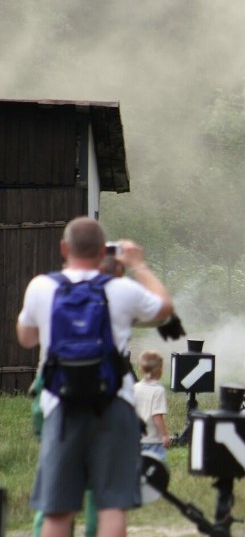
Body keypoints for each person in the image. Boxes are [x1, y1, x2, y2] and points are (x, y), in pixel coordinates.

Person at [17, 216, 174, 537]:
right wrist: (138, 265)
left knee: (58, 511)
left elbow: (27, 339)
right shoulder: (122, 289)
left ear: (64, 248)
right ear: (104, 250)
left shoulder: (41, 286)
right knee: (111, 505)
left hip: (60, 405)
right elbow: (164, 308)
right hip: (113, 404)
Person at [134, 350, 171, 461]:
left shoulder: (135, 388)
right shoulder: (158, 390)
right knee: (156, 470)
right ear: (160, 370)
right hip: (153, 440)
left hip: (137, 438)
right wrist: (164, 435)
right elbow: (157, 416)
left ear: (141, 370)